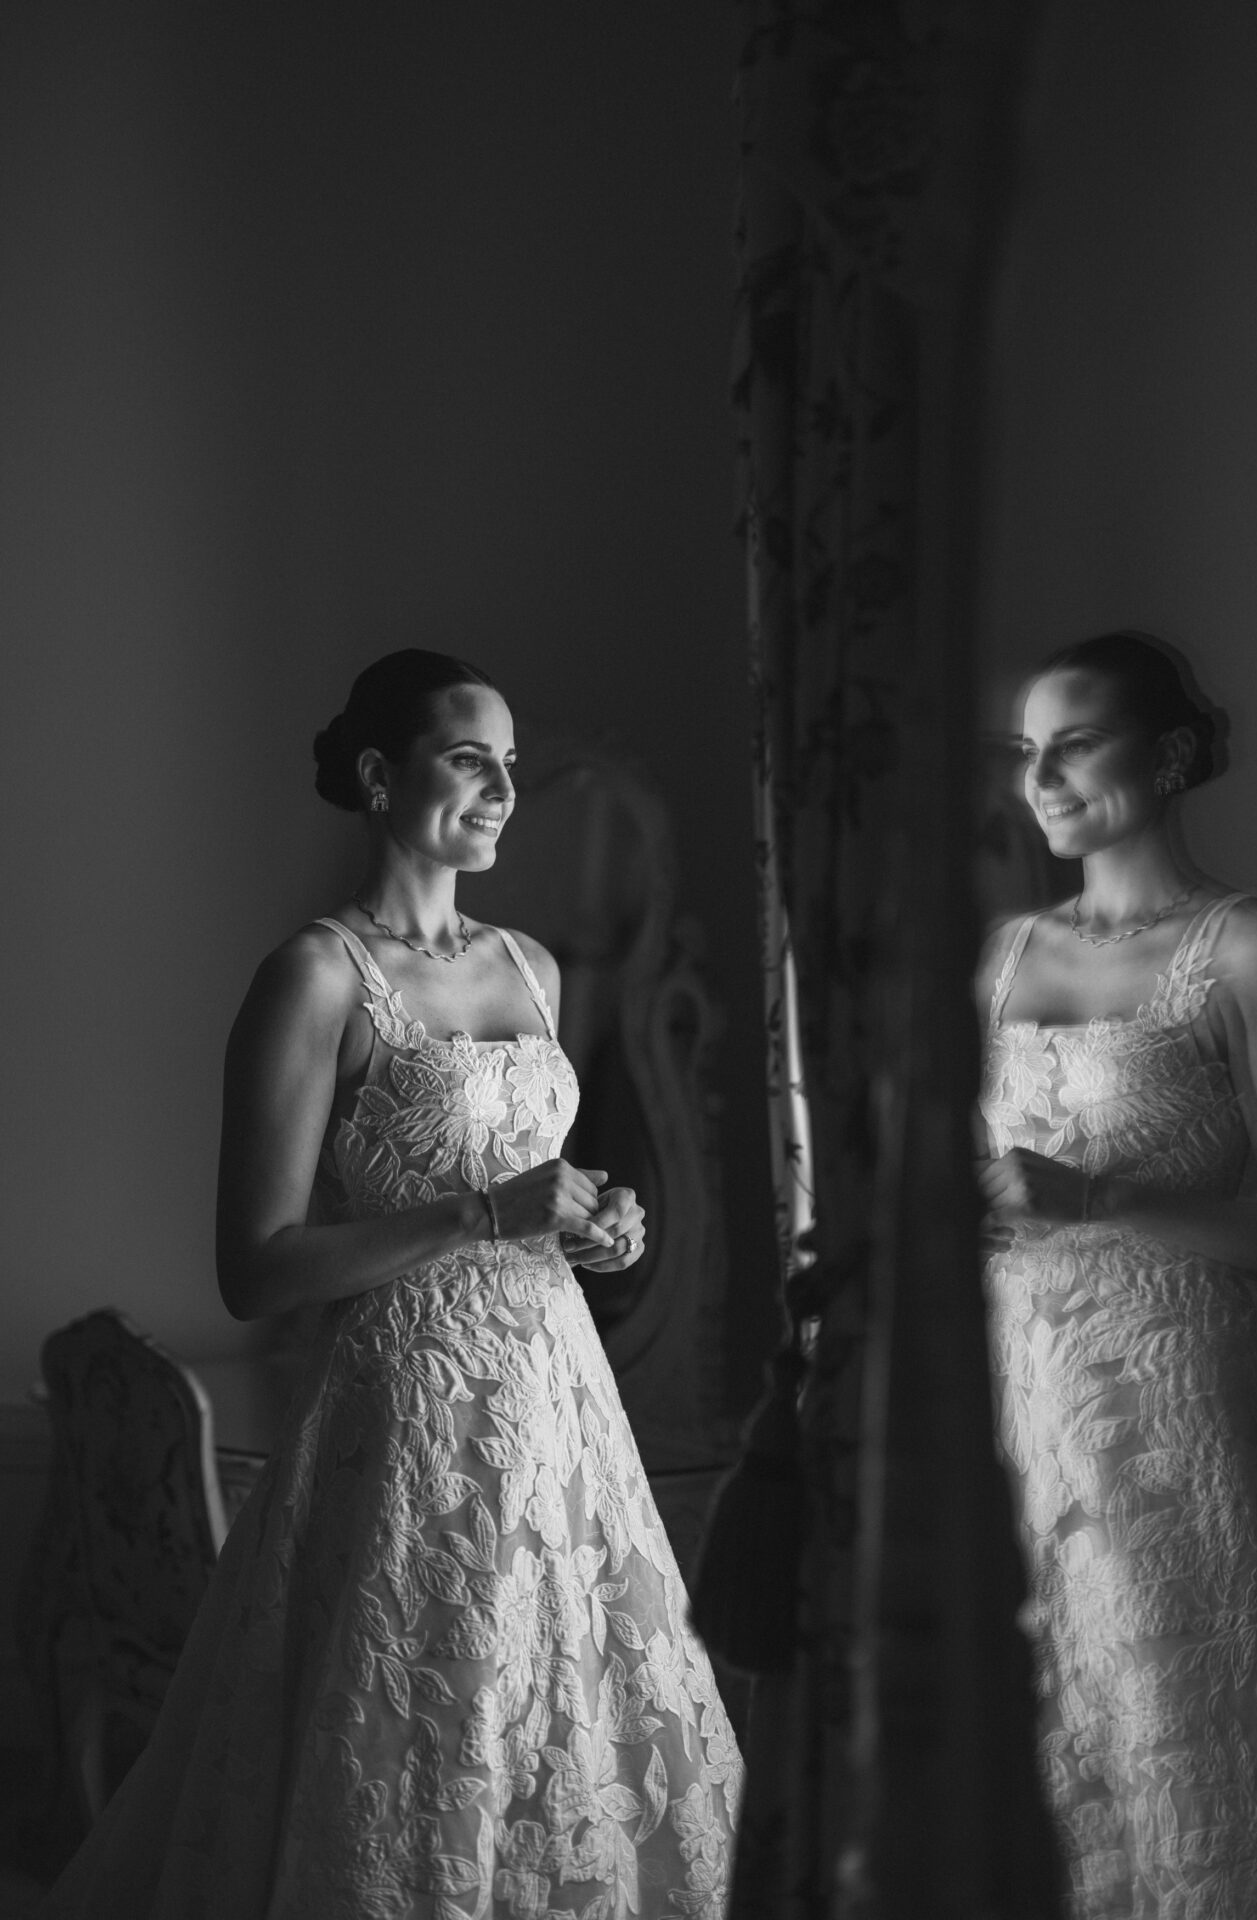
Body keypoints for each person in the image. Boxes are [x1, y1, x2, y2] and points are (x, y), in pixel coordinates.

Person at [42, 650, 741, 1918]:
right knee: (416, 1735)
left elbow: (528, 1177)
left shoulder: (534, 968)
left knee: (571, 1725)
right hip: (403, 1418)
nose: (504, 791)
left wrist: (599, 1222)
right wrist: (485, 1214)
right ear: (380, 775)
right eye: (472, 760)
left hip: (561, 1406)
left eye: (511, 764)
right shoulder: (315, 977)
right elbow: (256, 1267)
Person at [975, 631, 1257, 1919]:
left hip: (1178, 1396)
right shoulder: (1001, 956)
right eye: (1027, 751)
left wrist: (1103, 1199)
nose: (1042, 779)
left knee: (1186, 1734)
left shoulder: (1254, 951)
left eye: (1077, 744)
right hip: (1016, 1388)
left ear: (1171, 756)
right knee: (1042, 1739)